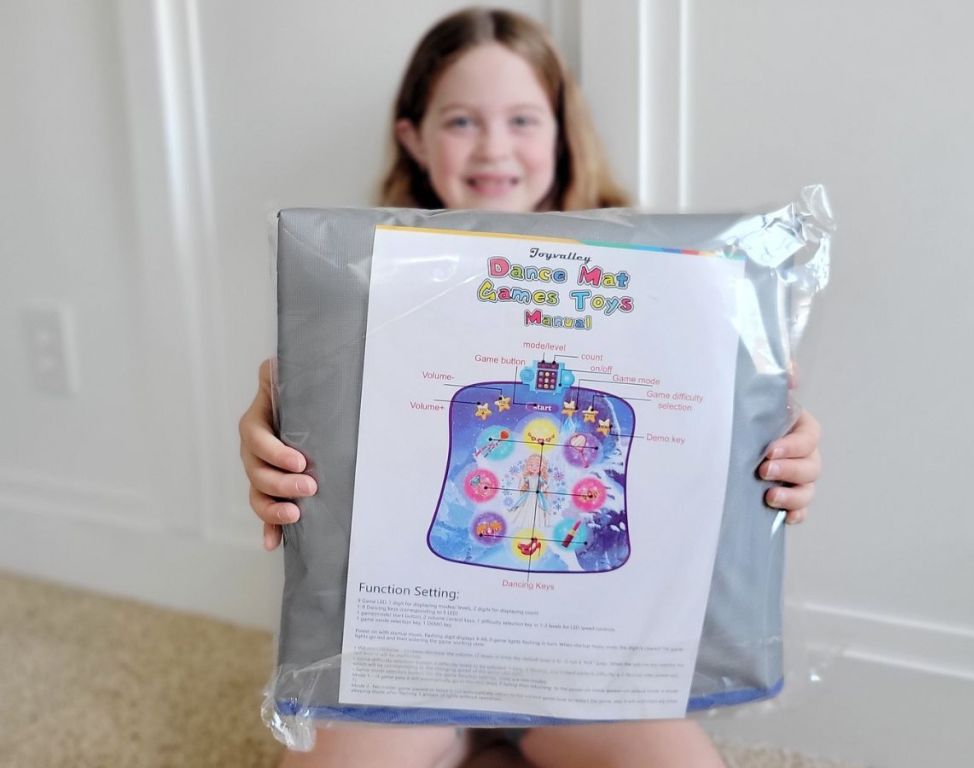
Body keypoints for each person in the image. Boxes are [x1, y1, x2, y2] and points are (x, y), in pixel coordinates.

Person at [239, 8, 822, 768]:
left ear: (560, 131)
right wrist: (274, 447)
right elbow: (326, 474)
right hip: (412, 648)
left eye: (522, 118)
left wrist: (776, 461)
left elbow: (708, 467)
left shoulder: (663, 286)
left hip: (594, 658)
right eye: (460, 121)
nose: (494, 147)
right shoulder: (364, 288)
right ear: (413, 136)